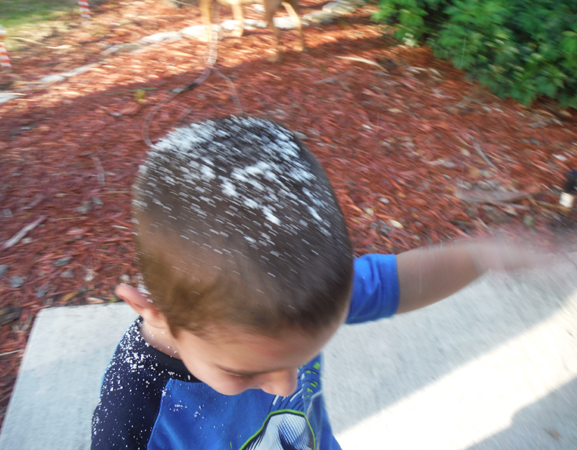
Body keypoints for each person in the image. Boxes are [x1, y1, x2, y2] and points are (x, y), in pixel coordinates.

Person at [91, 116, 541, 449]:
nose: (288, 387)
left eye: (302, 359)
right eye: (244, 371)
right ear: (154, 312)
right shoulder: (133, 420)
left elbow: (397, 282)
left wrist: (482, 255)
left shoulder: (298, 300)